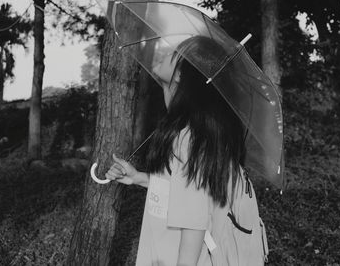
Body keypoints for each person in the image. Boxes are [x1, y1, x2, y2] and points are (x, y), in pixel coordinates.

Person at [105, 37, 247, 266]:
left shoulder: (188, 137)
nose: (167, 55)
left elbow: (194, 222)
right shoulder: (206, 132)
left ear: (182, 76)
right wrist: (139, 178)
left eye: (176, 55)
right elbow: (190, 193)